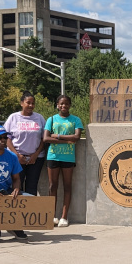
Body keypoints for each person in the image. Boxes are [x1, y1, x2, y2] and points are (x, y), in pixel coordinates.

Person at [43, 95, 83, 227]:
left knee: (67, 186)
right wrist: (67, 140)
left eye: (66, 104)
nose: (63, 106)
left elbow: (77, 137)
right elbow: (46, 139)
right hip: (53, 156)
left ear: (70, 105)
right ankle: (52, 215)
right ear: (57, 105)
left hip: (68, 157)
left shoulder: (76, 120)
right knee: (52, 186)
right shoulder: (52, 119)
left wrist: (58, 136)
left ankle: (64, 217)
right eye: (61, 104)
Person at [4, 91, 47, 196]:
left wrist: (36, 154)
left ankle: (30, 211)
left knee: (32, 187)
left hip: (35, 159)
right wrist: (17, 155)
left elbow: (44, 138)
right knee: (16, 187)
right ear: (22, 103)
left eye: (33, 103)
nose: (31, 105)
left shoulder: (39, 118)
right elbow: (7, 139)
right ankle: (17, 211)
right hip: (17, 158)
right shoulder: (13, 118)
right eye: (28, 103)